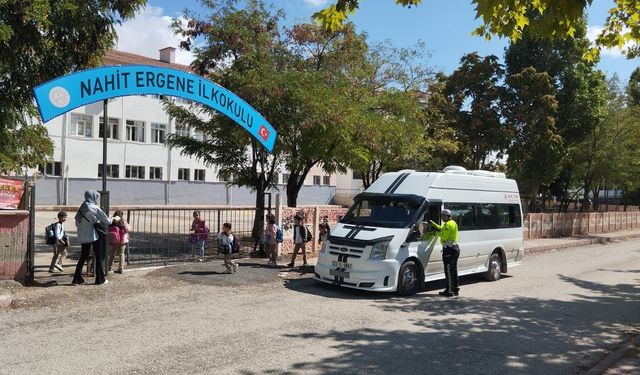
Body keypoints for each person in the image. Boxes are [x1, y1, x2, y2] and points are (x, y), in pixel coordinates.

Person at [73, 190, 117, 286]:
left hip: (83, 235)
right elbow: (107, 221)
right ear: (93, 197)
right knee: (99, 256)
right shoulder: (94, 208)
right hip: (94, 235)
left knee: (83, 256)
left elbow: (77, 222)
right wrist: (114, 219)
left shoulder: (82, 207)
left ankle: (77, 279)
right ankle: (100, 279)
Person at [427, 208, 460, 297]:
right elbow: (442, 229)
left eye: (442, 216)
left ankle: (449, 291)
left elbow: (444, 236)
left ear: (446, 215)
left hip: (449, 249)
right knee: (454, 269)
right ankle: (455, 289)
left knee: (448, 270)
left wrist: (435, 233)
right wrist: (433, 224)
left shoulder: (448, 225)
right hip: (455, 248)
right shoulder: (452, 223)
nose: (441, 218)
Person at [108, 210, 129, 274]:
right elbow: (127, 229)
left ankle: (109, 267)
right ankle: (121, 268)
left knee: (112, 254)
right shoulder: (123, 221)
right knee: (121, 254)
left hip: (114, 240)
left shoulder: (112, 221)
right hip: (122, 240)